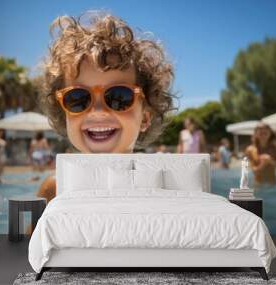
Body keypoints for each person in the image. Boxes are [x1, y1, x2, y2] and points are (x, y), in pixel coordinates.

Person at [34, 11, 174, 204]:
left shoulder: (166, 189)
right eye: (78, 99)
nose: (98, 111)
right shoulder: (55, 189)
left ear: (145, 118)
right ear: (63, 113)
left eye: (120, 97)